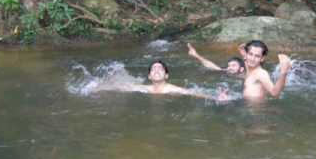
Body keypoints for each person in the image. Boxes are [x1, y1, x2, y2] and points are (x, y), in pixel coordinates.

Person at [95, 60, 228, 101]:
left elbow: (194, 93)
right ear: (149, 77)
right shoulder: (143, 88)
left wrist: (216, 97)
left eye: (160, 69)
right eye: (153, 69)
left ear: (166, 76)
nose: (157, 71)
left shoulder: (172, 89)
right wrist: (97, 88)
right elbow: (119, 86)